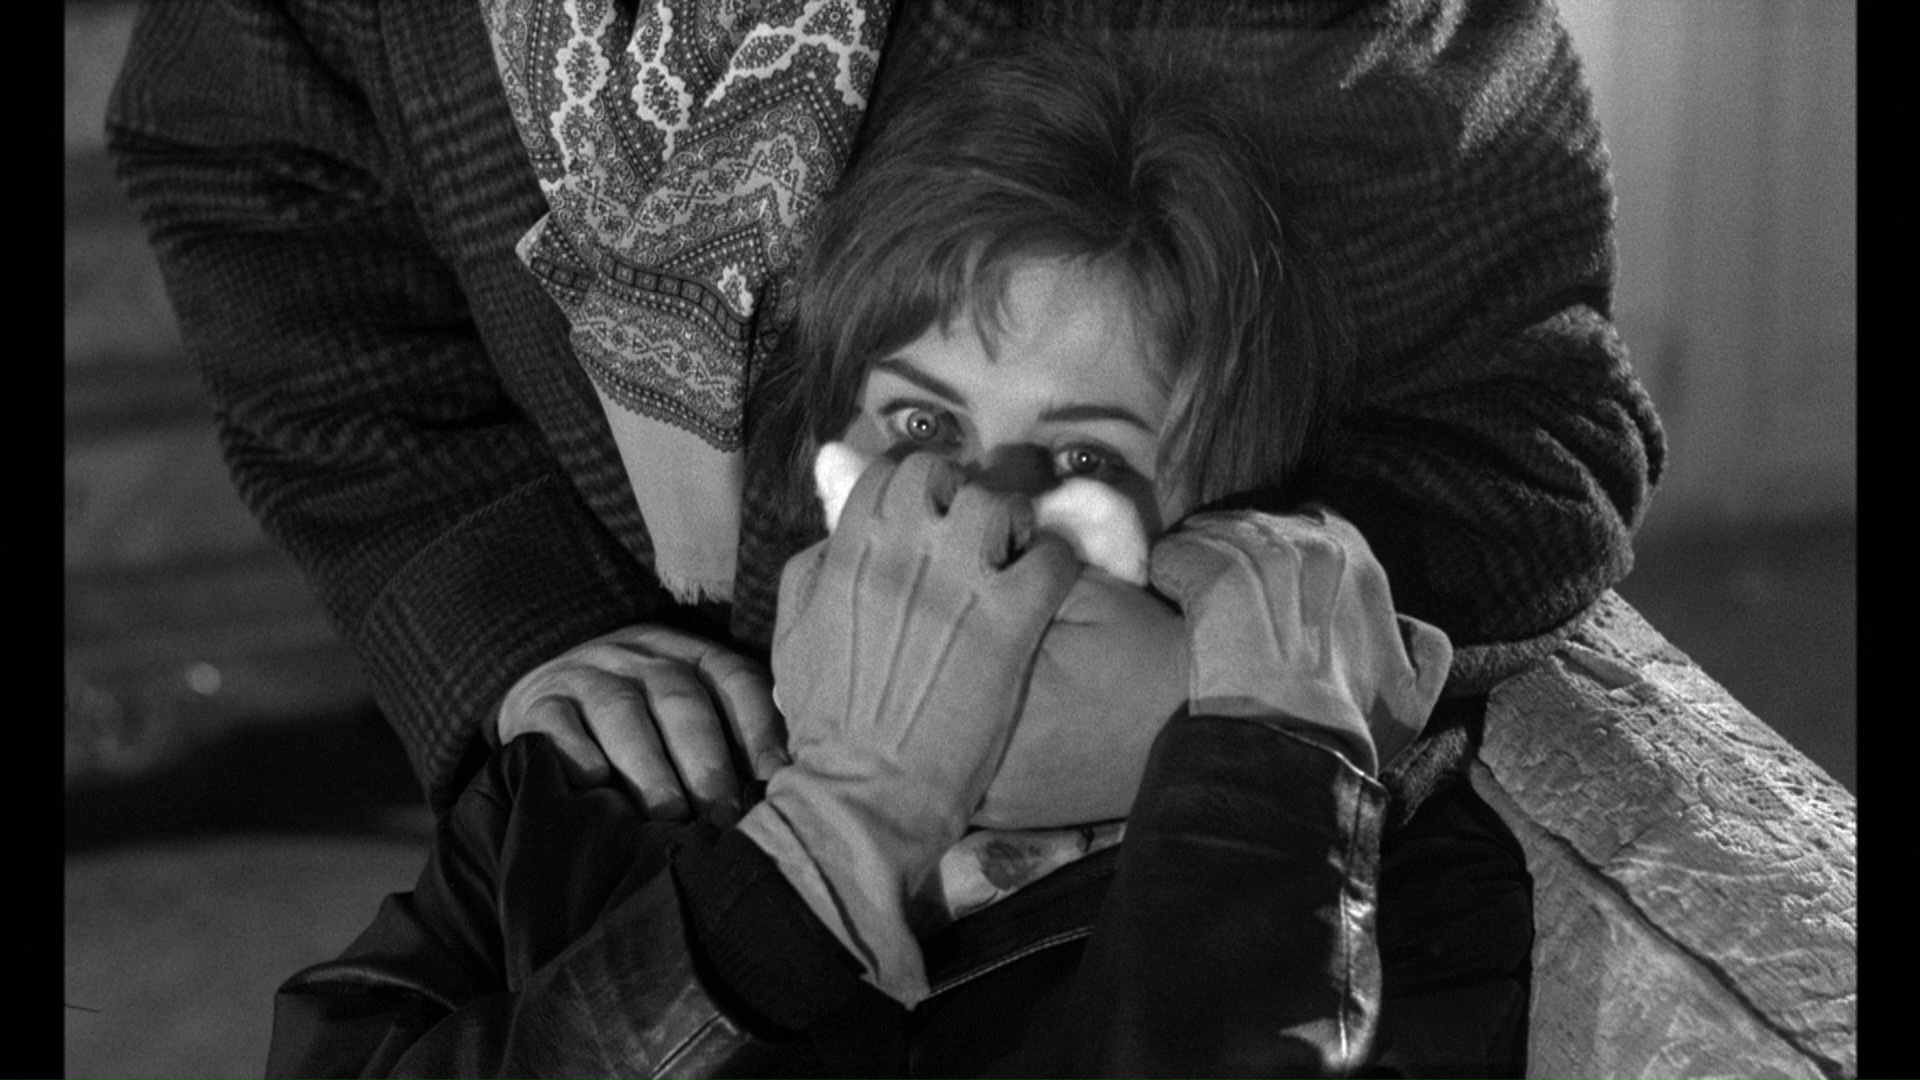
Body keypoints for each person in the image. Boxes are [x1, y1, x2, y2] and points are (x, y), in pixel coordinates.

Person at [108, 0, 1661, 1074]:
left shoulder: (1363, 878)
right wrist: (802, 841)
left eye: (1074, 457)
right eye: (917, 431)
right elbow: (249, 172)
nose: (963, 526)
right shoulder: (565, 820)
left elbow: (1527, 437)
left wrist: (1232, 731)